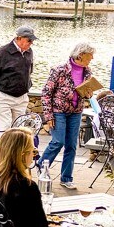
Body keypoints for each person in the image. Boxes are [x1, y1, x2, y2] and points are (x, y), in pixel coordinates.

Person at [38, 43, 96, 190]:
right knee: (58, 142)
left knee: (71, 145)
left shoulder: (87, 72)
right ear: (81, 55)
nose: (92, 58)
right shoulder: (60, 70)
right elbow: (46, 93)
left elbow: (86, 93)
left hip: (76, 112)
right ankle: (41, 167)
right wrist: (48, 115)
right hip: (59, 111)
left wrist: (89, 94)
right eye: (90, 55)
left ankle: (66, 178)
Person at [0, 26, 36, 130]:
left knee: (19, 131)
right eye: (29, 40)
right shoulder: (3, 52)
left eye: (32, 40)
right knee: (2, 130)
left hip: (21, 98)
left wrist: (27, 87)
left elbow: (29, 72)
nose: (31, 43)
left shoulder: (29, 52)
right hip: (3, 96)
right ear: (19, 38)